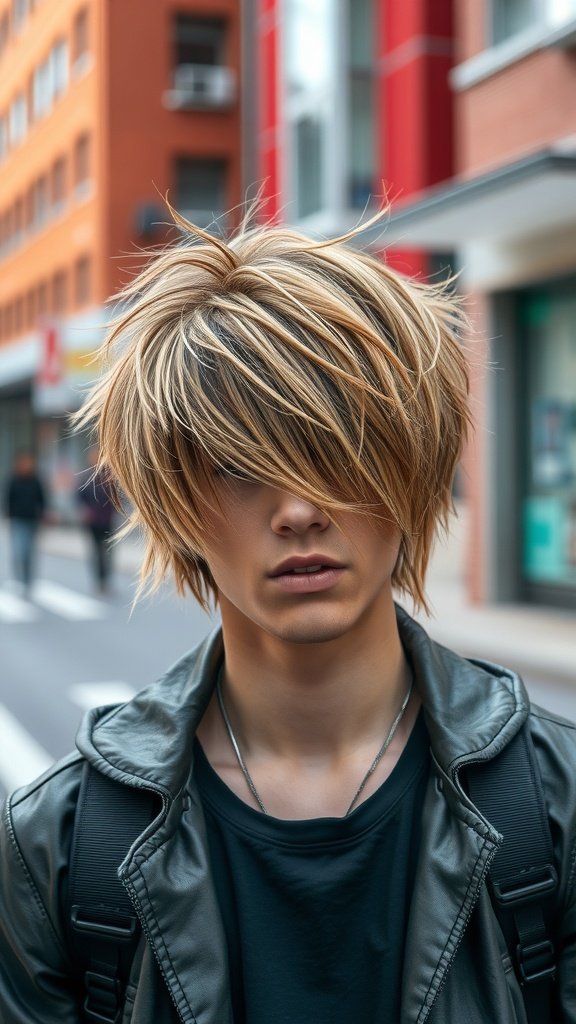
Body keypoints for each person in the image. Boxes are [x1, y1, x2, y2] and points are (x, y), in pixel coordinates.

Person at [0, 212, 575, 1024]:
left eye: (336, 452)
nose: (300, 510)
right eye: (242, 467)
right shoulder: (59, 844)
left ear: (412, 463)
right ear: (176, 499)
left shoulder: (554, 810)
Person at [3, 450, 46, 594]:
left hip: (32, 520)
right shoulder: (13, 479)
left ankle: (27, 580)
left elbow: (42, 499)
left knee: (29, 552)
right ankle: (19, 579)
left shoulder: (35, 479)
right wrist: (9, 515)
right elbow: (8, 499)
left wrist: (44, 514)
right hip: (18, 520)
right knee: (19, 550)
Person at [77, 447, 116, 593]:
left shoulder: (109, 477)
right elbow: (78, 497)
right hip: (92, 522)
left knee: (108, 552)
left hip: (107, 520)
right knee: (96, 551)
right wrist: (84, 510)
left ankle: (106, 579)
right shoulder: (86, 477)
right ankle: (99, 580)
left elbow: (118, 497)